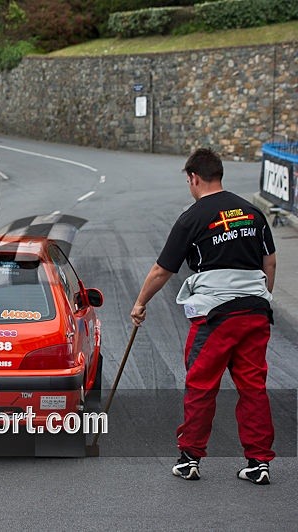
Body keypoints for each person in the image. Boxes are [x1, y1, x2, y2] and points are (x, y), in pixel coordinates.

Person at [130, 148, 276, 485]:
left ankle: (190, 458)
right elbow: (270, 262)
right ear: (219, 174)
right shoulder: (254, 213)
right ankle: (258, 463)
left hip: (215, 318)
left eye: (188, 180)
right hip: (255, 313)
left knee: (201, 385)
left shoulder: (192, 217)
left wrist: (140, 304)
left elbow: (161, 270)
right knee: (254, 387)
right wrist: (262, 297)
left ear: (194, 178)